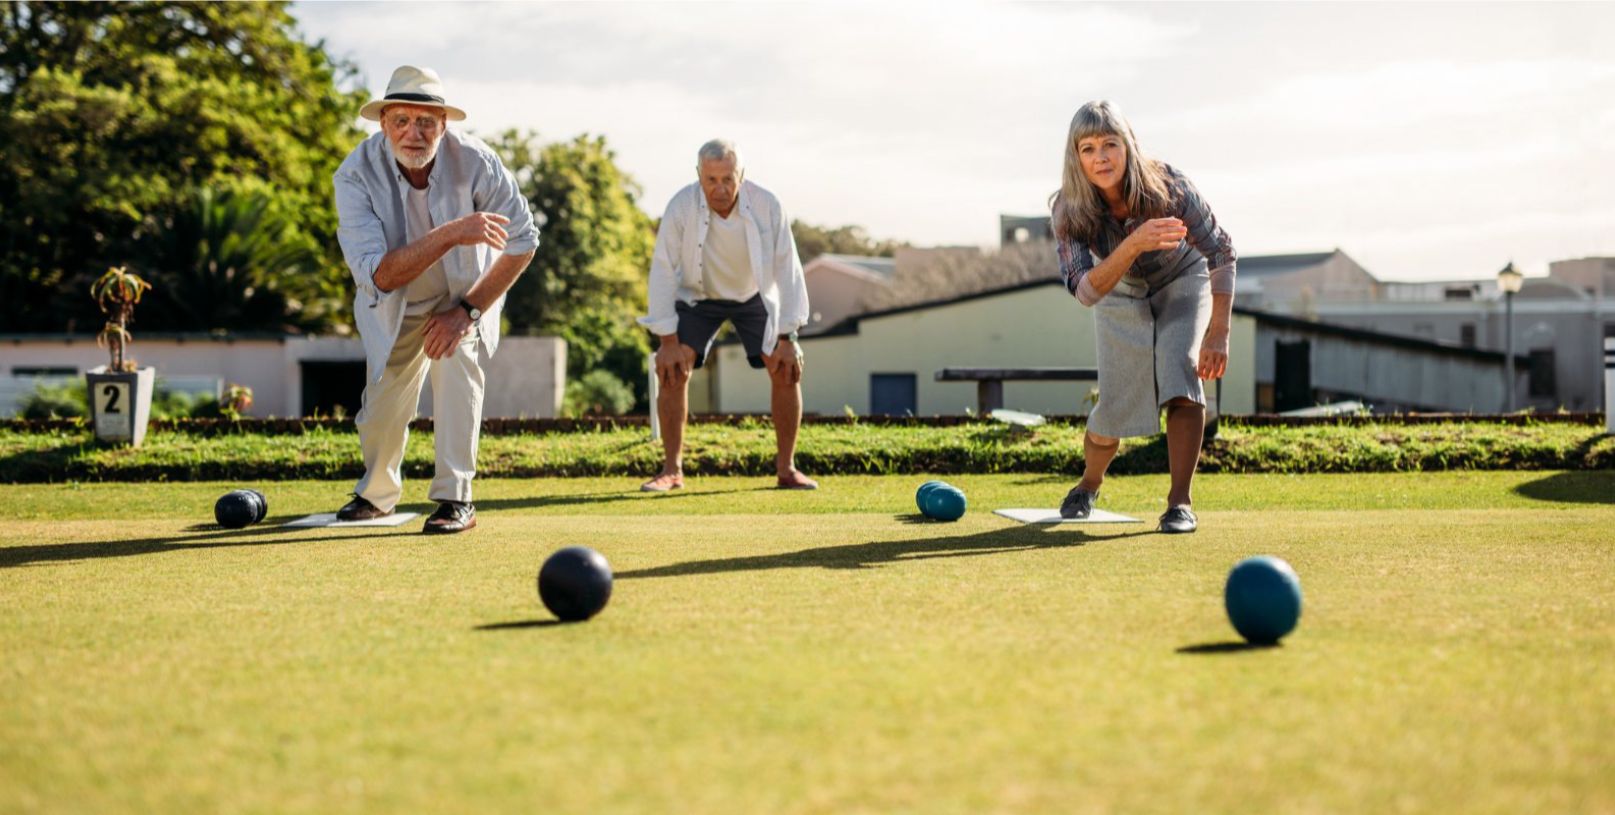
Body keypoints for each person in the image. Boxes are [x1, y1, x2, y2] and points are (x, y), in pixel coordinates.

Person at [331, 65, 538, 534]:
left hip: (464, 296)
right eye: (401, 120)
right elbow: (379, 276)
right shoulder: (354, 176)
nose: (413, 132)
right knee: (382, 405)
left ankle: (454, 498)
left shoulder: (479, 162)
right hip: (395, 300)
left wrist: (467, 312)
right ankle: (377, 494)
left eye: (426, 121)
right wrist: (453, 232)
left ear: (444, 124)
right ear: (383, 124)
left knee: (457, 371)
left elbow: (524, 241)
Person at [1050, 101, 1236, 534]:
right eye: (1089, 148)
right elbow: (1085, 291)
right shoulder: (1068, 210)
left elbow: (1221, 251)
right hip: (1117, 285)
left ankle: (1179, 504)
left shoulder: (1170, 187)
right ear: (1076, 157)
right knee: (1115, 405)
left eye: (1110, 144)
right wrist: (1134, 243)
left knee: (1180, 372)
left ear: (1128, 146)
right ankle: (1089, 484)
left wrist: (1219, 332)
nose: (1101, 157)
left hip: (1181, 276)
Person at [638, 139, 816, 492]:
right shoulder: (680, 206)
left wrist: (788, 336)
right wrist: (667, 340)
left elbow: (788, 268)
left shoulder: (767, 204)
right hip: (699, 295)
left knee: (786, 369)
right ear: (699, 176)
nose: (720, 189)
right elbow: (662, 268)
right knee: (672, 370)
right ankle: (671, 471)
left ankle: (786, 469)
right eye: (711, 180)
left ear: (742, 176)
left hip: (754, 295)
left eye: (727, 179)